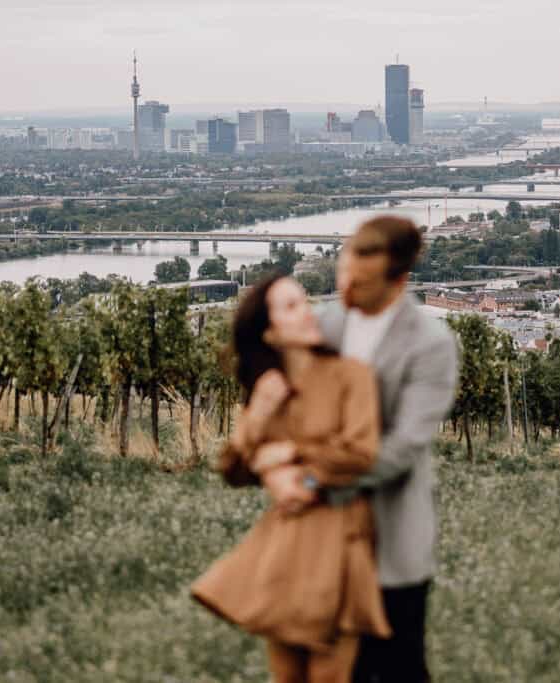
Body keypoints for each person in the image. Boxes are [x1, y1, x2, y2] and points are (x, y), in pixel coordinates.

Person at [264, 216, 459, 683]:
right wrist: (275, 467)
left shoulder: (432, 345)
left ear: (399, 280)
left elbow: (403, 447)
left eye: (362, 282)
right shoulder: (326, 324)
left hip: (391, 538)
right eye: (344, 275)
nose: (347, 289)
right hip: (318, 537)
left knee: (398, 668)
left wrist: (312, 480)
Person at [191, 274, 391, 683]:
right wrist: (259, 422)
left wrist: (296, 465)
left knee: (329, 676)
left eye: (304, 302)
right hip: (284, 544)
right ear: (269, 331)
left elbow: (360, 454)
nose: (308, 312)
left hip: (340, 540)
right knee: (285, 676)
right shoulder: (269, 387)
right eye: (292, 306)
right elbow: (232, 470)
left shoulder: (350, 376)